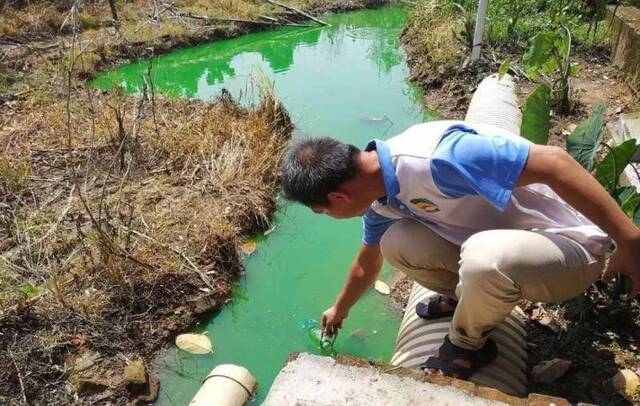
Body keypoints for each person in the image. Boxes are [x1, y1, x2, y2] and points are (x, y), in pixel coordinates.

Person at [279, 120, 640, 378]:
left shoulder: (436, 160)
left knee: (484, 257)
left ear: (338, 197)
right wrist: (339, 309)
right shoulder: (380, 195)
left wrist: (628, 240)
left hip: (570, 248)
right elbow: (367, 262)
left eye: (322, 211)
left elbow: (555, 162)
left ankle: (469, 344)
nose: (327, 216)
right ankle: (470, 300)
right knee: (396, 242)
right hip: (509, 248)